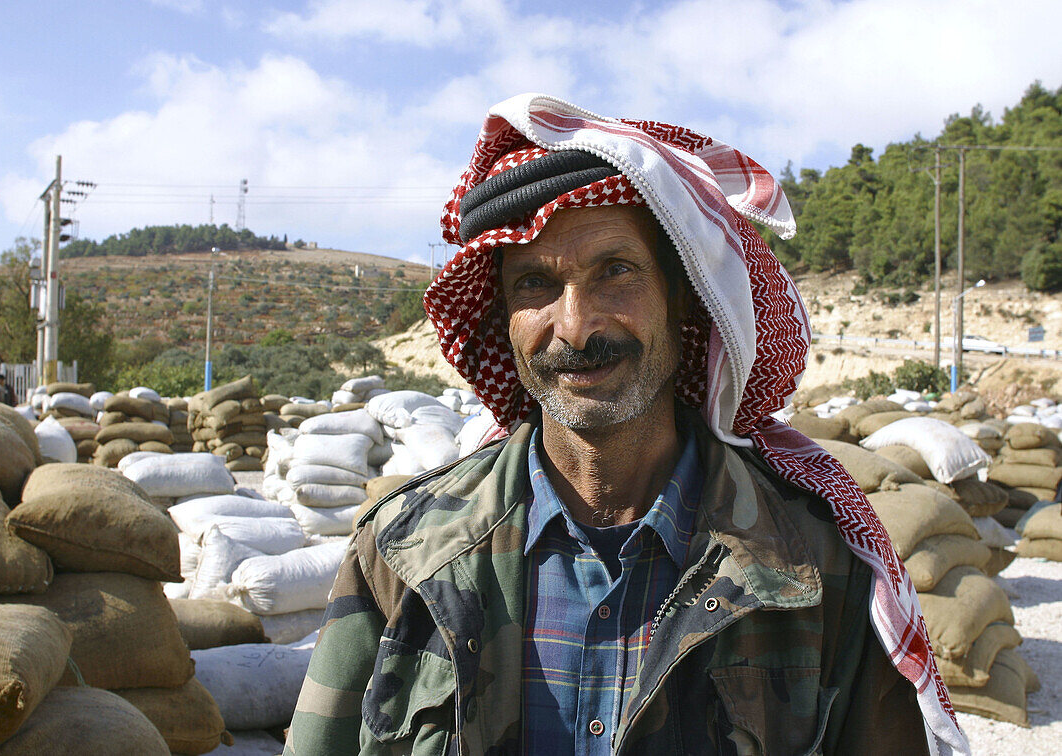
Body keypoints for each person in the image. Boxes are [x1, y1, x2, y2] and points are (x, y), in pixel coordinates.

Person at [286, 95, 968, 755]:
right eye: (534, 285)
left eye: (615, 272)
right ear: (503, 319)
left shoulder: (813, 564)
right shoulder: (403, 553)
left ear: (684, 302)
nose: (575, 327)